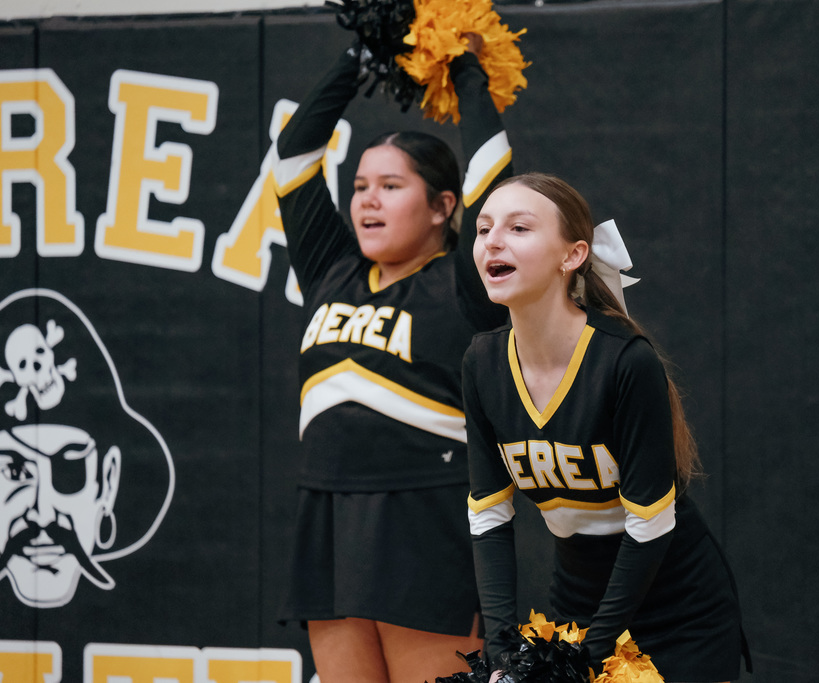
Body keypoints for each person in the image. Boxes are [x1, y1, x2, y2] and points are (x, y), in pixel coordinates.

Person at [272, 32, 512, 683]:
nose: (368, 200)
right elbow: (293, 156)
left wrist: (465, 68)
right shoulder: (331, 268)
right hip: (327, 509)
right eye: (359, 186)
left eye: (390, 185)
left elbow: (492, 180)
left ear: (442, 207)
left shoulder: (468, 282)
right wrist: (360, 59)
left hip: (424, 512)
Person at [463, 174, 750, 683]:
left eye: (518, 228)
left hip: (679, 612)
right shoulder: (482, 363)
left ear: (572, 255)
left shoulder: (624, 361)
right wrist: (501, 645)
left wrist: (588, 657)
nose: (493, 241)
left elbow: (650, 524)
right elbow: (488, 513)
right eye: (484, 229)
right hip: (577, 602)